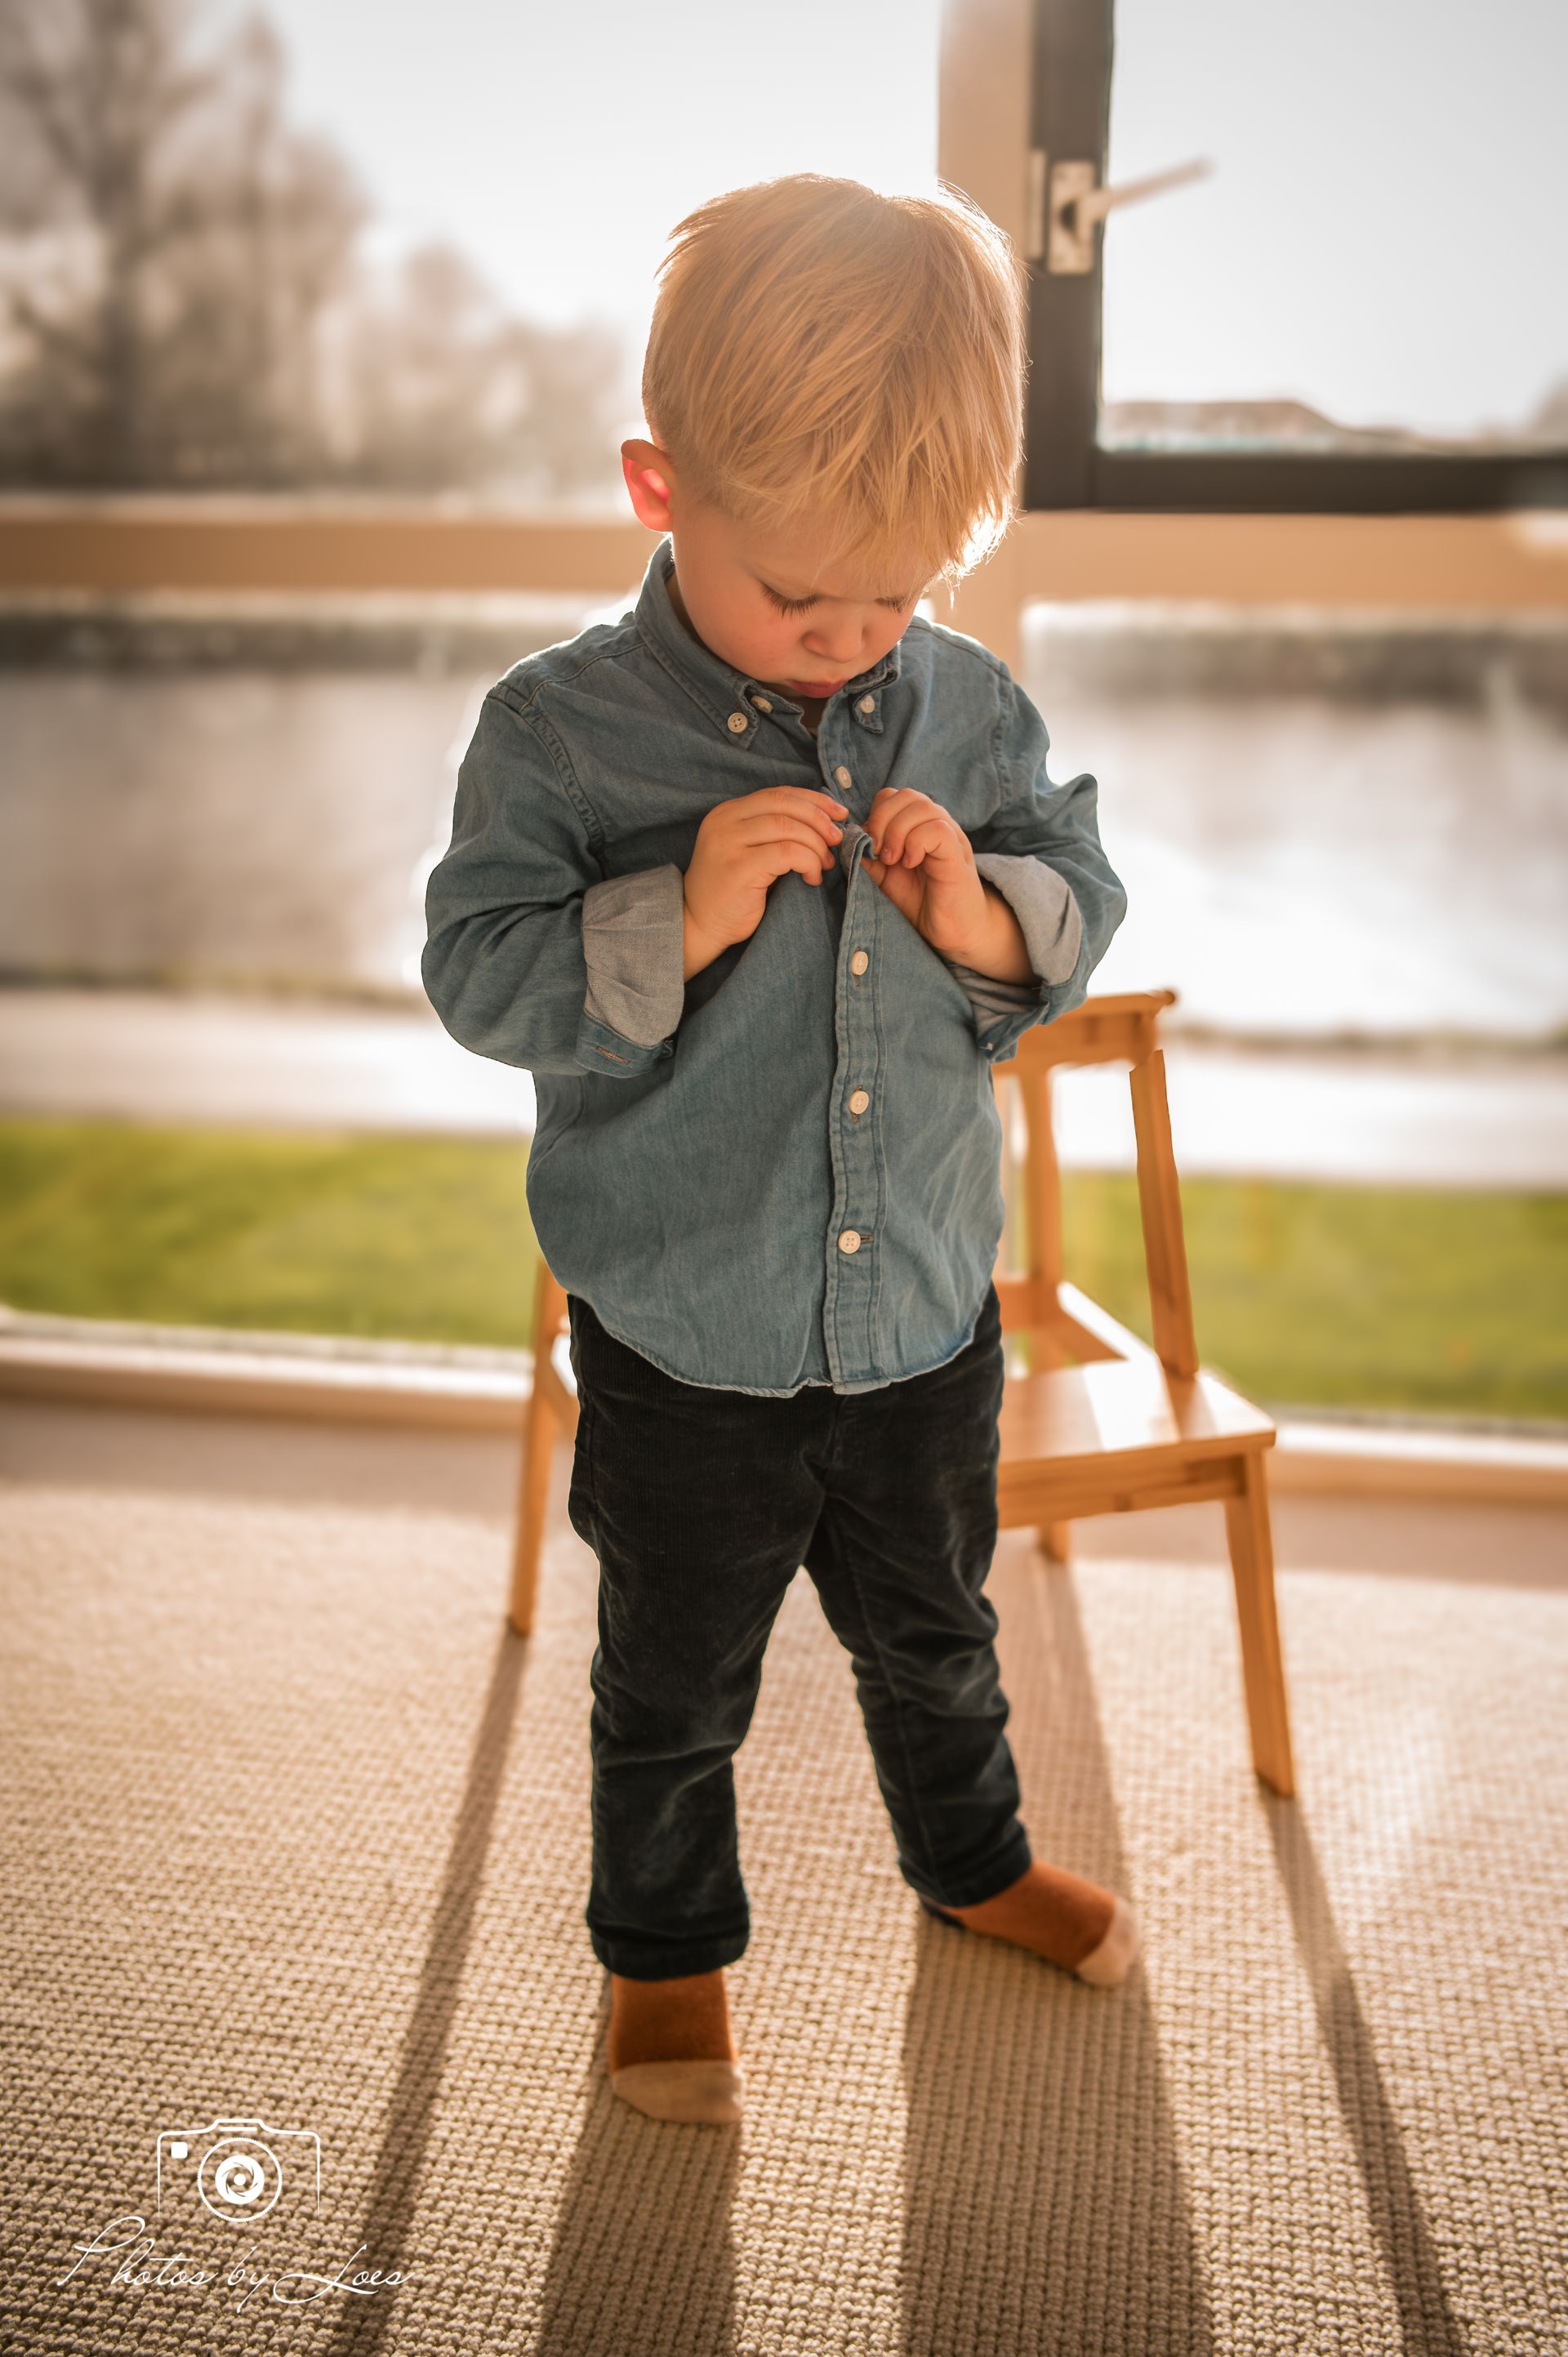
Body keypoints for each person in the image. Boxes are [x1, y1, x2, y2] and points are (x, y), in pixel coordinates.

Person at [422, 173, 1135, 2126]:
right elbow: (477, 979)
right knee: (674, 1685)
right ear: (663, 493)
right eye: (795, 598)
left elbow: (1078, 881)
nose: (844, 642)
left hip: (918, 1309)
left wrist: (984, 914)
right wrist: (678, 918)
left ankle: (969, 1863)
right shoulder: (562, 738)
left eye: (892, 598)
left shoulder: (964, 704)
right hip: (682, 1343)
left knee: (941, 1633)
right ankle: (663, 1960)